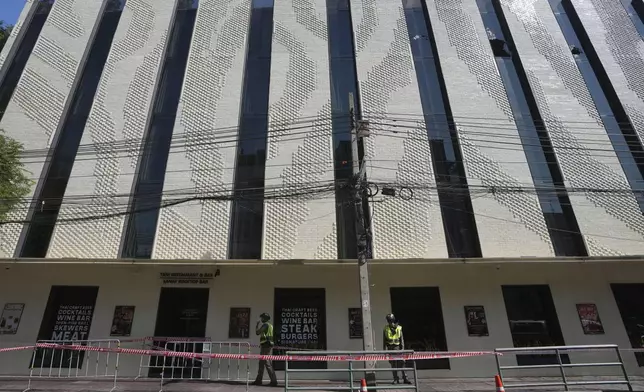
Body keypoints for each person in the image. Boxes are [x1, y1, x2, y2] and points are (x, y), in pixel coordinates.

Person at [383, 313, 411, 384]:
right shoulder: (385, 328)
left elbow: (402, 339)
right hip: (390, 348)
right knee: (393, 364)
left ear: (393, 320)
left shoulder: (399, 328)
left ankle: (405, 378)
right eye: (389, 320)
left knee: (402, 363)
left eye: (391, 320)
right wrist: (384, 351)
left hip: (398, 348)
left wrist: (403, 349)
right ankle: (396, 379)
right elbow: (384, 340)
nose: (390, 322)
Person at [254, 313, 278, 387]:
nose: (261, 319)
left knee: (267, 362)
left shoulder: (265, 325)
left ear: (265, 318)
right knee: (261, 363)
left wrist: (257, 324)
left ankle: (274, 381)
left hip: (266, 345)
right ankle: (258, 380)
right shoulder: (270, 325)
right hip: (266, 345)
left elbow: (257, 332)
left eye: (262, 318)